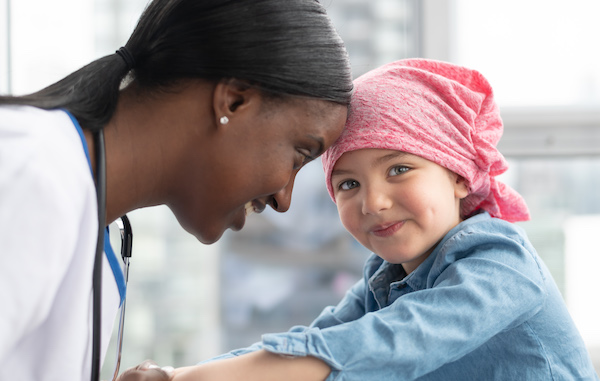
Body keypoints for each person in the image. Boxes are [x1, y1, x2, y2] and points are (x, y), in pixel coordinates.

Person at [127, 59, 599, 380]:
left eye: (399, 169)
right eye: (348, 184)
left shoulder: (500, 263)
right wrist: (178, 373)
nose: (373, 202)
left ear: (459, 175)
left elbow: (386, 344)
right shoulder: (386, 278)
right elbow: (316, 340)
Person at [0, 0, 353, 380]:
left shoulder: (81, 212)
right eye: (300, 154)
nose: (283, 199)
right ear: (234, 101)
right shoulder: (31, 170)